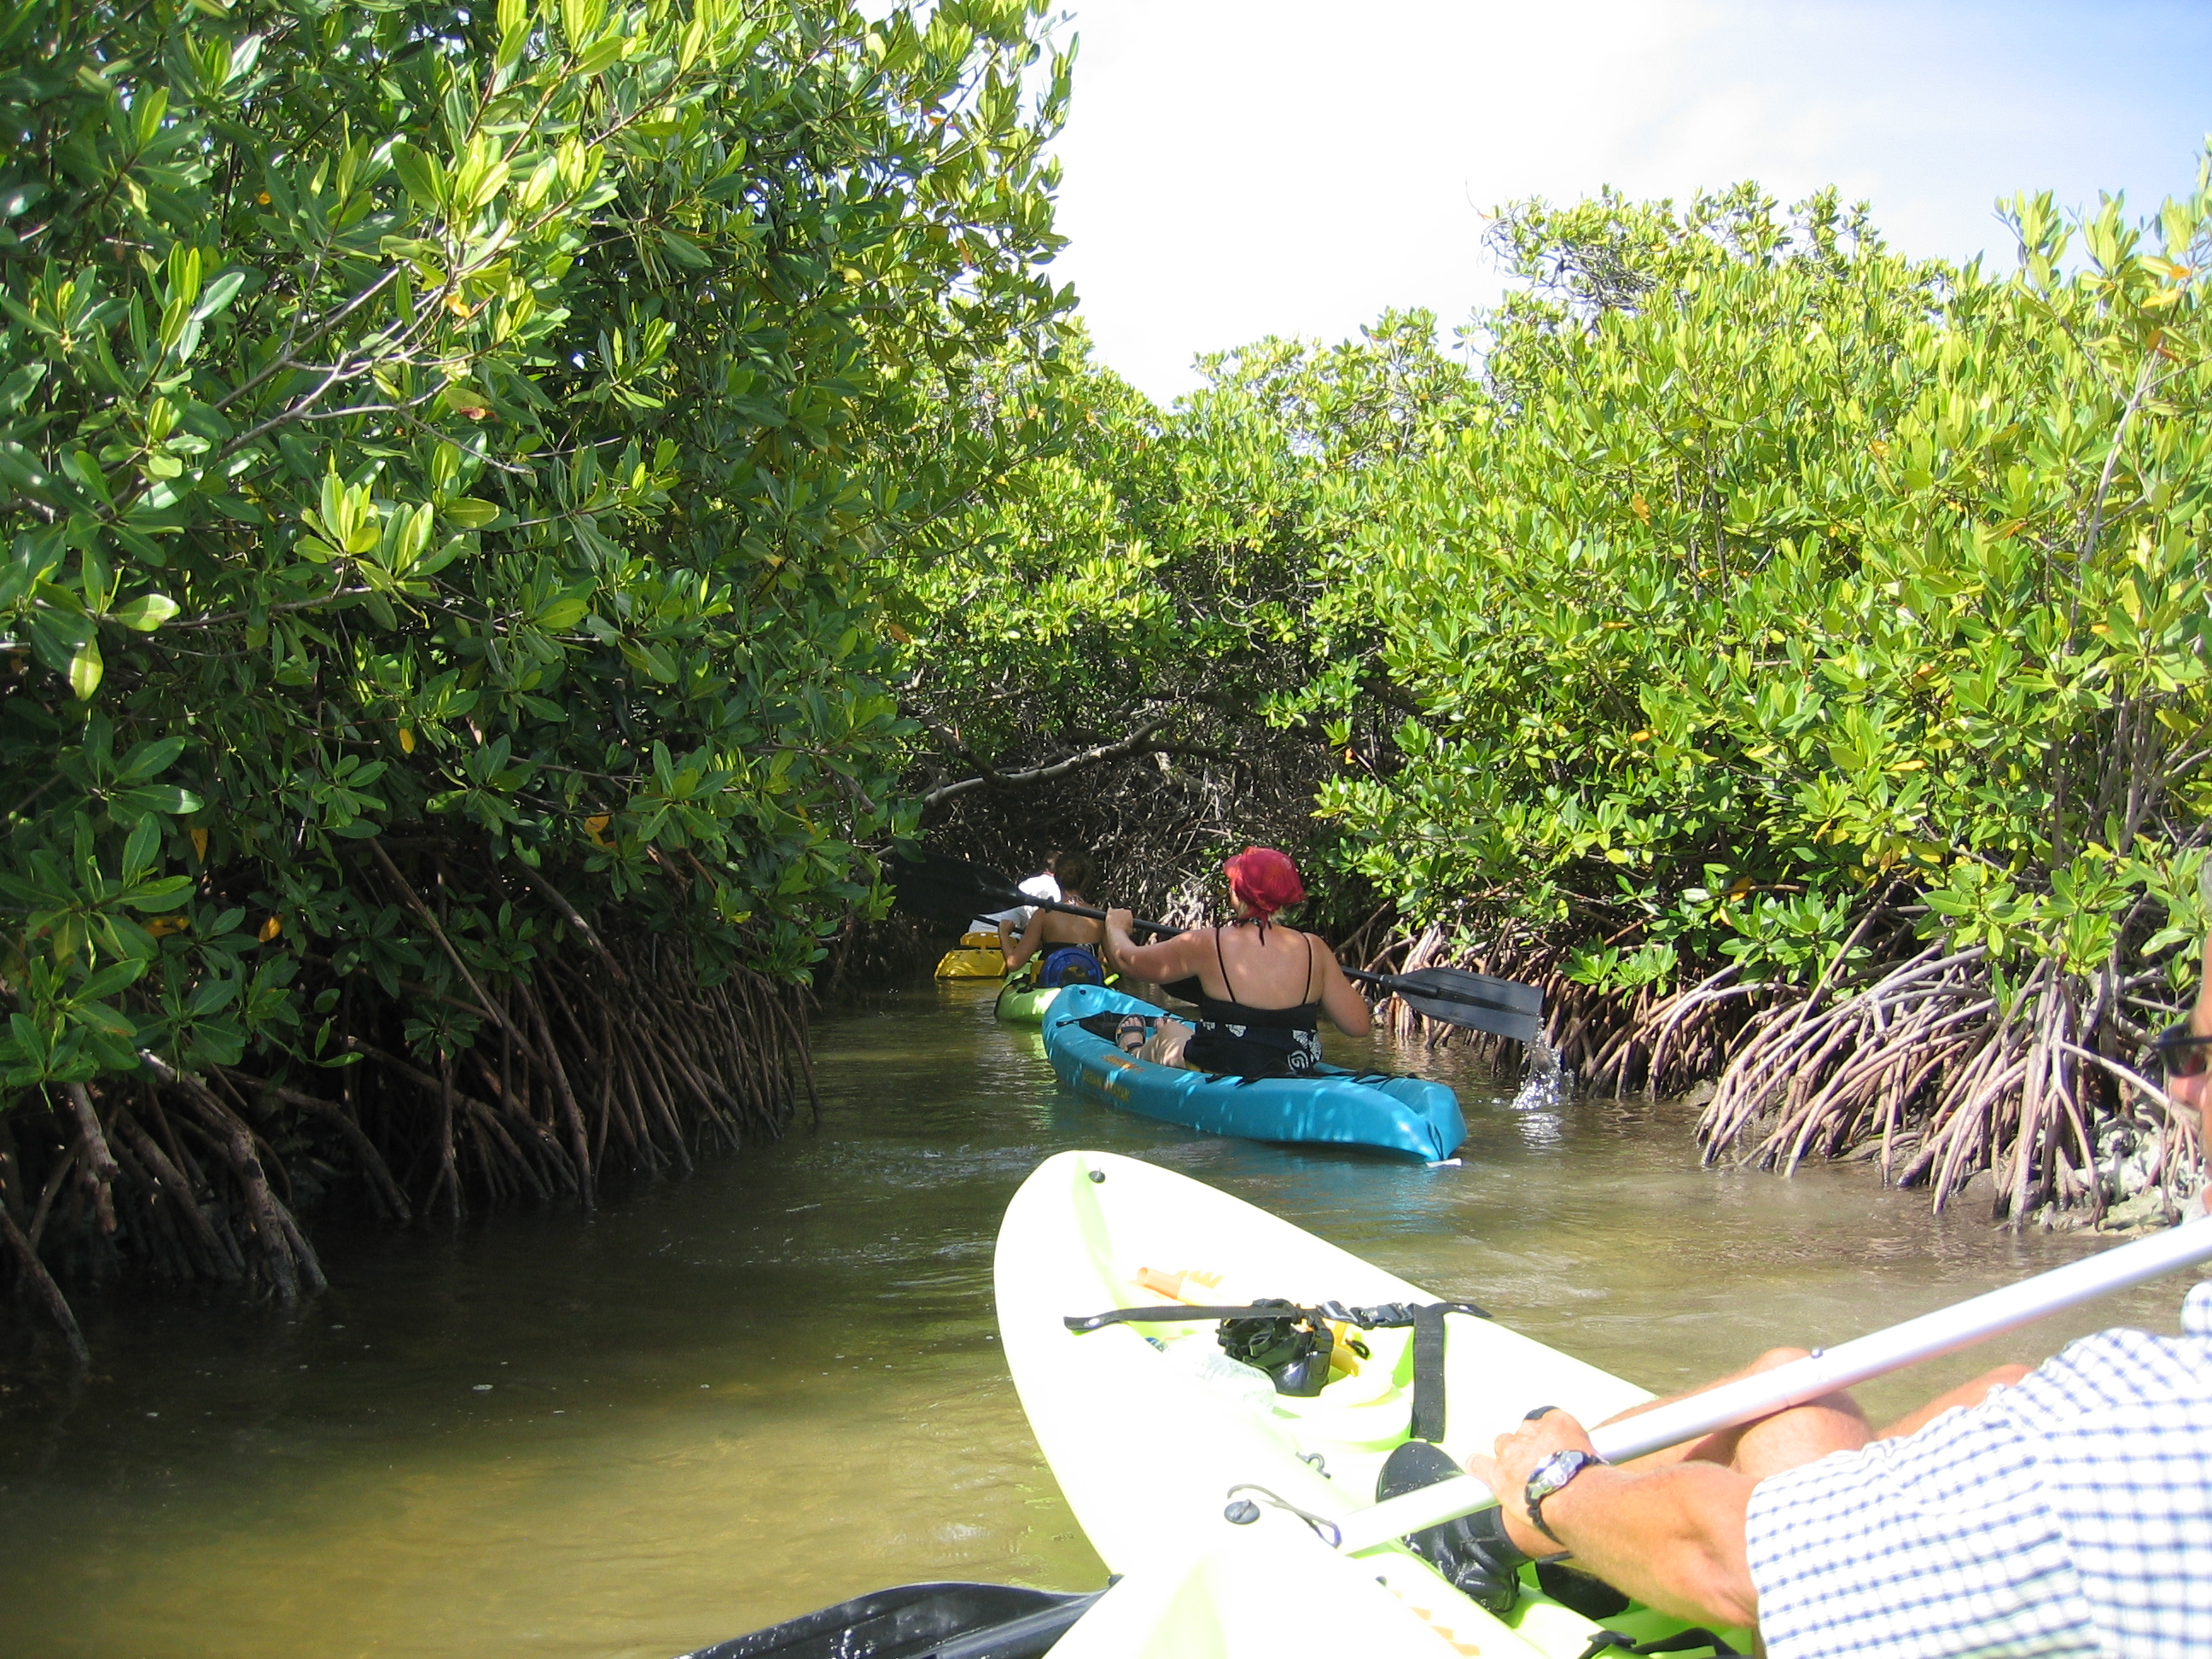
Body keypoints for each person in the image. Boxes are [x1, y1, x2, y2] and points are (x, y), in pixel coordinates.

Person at [1459, 928, 2212, 1657]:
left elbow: (1738, 1570)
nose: (2179, 1088)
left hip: (1736, 1557)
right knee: (1887, 1392)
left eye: (2201, 1054)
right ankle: (1569, 1537)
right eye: (2182, 1051)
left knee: (1788, 1403)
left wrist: (1556, 1483)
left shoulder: (2125, 1439)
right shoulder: (2135, 1404)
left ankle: (1520, 1525)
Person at [1101, 847, 1370, 1076]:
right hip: (1293, 1069)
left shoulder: (1208, 943)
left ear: (1238, 892)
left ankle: (1133, 1048)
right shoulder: (1314, 948)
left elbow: (1128, 961)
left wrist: (1116, 928)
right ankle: (1171, 1032)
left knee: (1170, 1035)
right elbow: (1358, 1026)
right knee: (1177, 1031)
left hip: (1222, 1067)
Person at [1001, 850, 1108, 987]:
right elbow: (1116, 965)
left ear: (1057, 879)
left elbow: (1013, 964)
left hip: (1052, 989)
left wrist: (1004, 934)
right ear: (1085, 881)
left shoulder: (1043, 915)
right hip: (1090, 990)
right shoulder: (1100, 917)